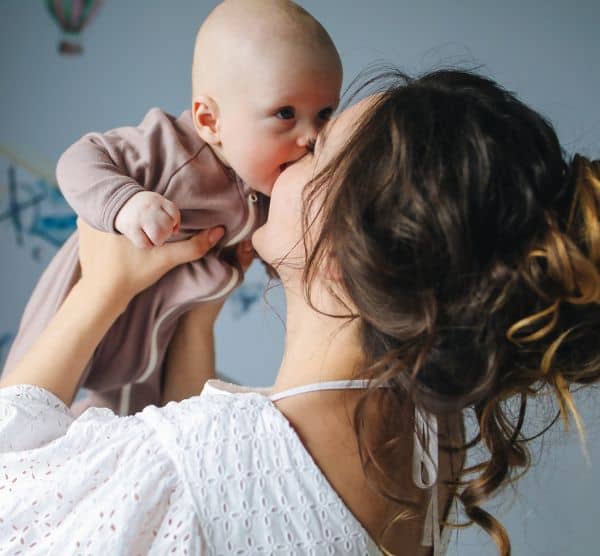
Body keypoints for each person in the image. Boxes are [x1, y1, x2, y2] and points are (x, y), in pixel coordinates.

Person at [1, 68, 599, 555]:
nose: (285, 156)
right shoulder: (424, 437)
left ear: (342, 250)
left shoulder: (193, 466)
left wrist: (100, 291)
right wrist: (198, 316)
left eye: (315, 151)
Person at [2, 0, 343, 416]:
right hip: (86, 300)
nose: (311, 136)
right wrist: (126, 202)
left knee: (134, 425)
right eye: (285, 113)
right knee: (26, 411)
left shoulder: (270, 184)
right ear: (210, 121)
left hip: (158, 333)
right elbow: (79, 159)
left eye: (325, 114)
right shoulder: (171, 149)